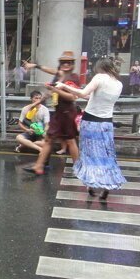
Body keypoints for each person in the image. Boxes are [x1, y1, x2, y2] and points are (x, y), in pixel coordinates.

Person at [55, 57, 125, 200]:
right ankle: (106, 185)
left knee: (89, 154)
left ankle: (91, 183)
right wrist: (73, 89)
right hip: (106, 124)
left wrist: (63, 86)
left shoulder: (99, 77)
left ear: (101, 68)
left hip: (91, 122)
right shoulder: (118, 84)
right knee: (106, 155)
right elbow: (91, 97)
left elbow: (82, 94)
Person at [23, 50, 81, 175]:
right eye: (63, 62)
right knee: (49, 139)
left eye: (69, 62)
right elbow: (50, 70)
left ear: (72, 64)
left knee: (70, 141)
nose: (66, 64)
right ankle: (39, 166)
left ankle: (78, 168)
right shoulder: (60, 75)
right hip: (59, 113)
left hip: (68, 113)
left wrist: (55, 89)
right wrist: (35, 66)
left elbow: (72, 97)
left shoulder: (73, 77)